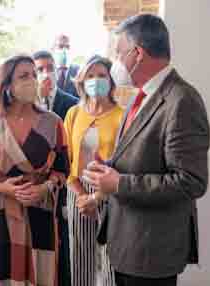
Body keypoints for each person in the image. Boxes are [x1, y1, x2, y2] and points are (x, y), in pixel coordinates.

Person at [84, 14, 210, 286]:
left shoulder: (182, 100)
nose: (115, 61)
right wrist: (108, 167)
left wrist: (119, 183)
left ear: (138, 53)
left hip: (151, 252)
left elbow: (190, 182)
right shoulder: (140, 96)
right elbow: (142, 158)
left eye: (118, 53)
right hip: (127, 243)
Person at [0, 55, 70, 285]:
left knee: (41, 273)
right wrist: (0, 186)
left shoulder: (53, 122)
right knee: (1, 274)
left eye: (34, 75)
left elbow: (62, 169)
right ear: (7, 85)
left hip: (40, 212)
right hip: (0, 213)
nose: (32, 80)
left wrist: (45, 187)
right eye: (24, 76)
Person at [64, 55, 124, 286]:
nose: (95, 80)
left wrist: (97, 197)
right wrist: (82, 196)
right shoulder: (73, 114)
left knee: (110, 259)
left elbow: (124, 163)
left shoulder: (122, 116)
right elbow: (67, 160)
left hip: (111, 193)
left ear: (111, 80)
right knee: (80, 258)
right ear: (81, 81)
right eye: (90, 76)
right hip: (77, 190)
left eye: (101, 75)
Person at [32, 49, 78, 286]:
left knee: (63, 246)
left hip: (62, 186)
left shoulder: (71, 105)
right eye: (39, 69)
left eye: (49, 67)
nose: (45, 73)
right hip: (33, 189)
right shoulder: (26, 107)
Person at [33, 50, 78, 119]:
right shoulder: (27, 104)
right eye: (40, 69)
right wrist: (40, 100)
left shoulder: (74, 104)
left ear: (56, 71)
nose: (46, 74)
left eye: (50, 68)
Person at [52, 34, 80, 98]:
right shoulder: (46, 71)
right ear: (53, 49)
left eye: (67, 47)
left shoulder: (79, 72)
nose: (64, 50)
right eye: (60, 46)